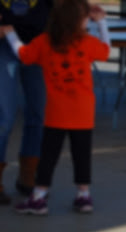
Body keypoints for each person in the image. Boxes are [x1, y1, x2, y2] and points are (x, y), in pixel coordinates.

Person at [2, 0, 110, 215]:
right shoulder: (87, 42)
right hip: (83, 114)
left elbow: (23, 54)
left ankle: (39, 196)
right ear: (79, 22)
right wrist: (102, 22)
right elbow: (106, 51)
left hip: (56, 114)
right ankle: (83, 195)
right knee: (82, 156)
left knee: (48, 157)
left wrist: (10, 33)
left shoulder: (44, 42)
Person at [0, 0, 52, 204]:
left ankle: (28, 175)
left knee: (38, 113)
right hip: (3, 42)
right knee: (4, 116)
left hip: (38, 41)